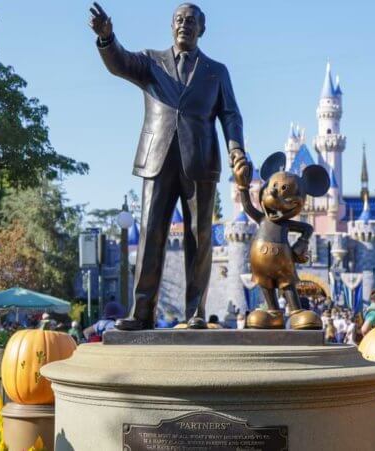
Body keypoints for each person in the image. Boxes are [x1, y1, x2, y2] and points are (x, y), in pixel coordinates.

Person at [89, 2, 247, 330]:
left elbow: (230, 114)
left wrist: (236, 150)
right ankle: (142, 312)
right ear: (171, 26)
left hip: (200, 162)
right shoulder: (151, 62)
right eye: (178, 19)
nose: (184, 25)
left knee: (199, 236)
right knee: (150, 234)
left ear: (201, 29)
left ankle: (195, 313)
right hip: (157, 159)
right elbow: (119, 63)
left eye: (191, 21)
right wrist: (107, 39)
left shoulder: (216, 71)